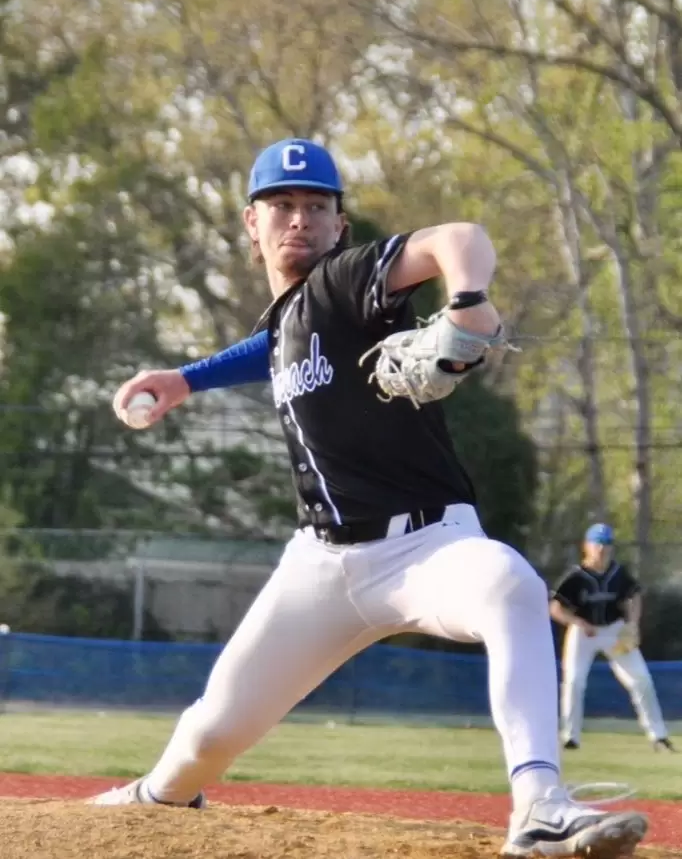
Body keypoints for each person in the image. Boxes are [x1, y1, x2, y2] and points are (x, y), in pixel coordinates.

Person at [91, 138, 647, 858]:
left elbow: (459, 238)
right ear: (251, 222)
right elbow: (273, 348)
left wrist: (466, 300)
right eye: (281, 204)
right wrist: (187, 379)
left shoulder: (346, 279)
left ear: (340, 225)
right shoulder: (292, 319)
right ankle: (158, 797)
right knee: (210, 733)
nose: (299, 218)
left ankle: (539, 803)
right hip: (321, 566)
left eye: (316, 205)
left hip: (427, 549)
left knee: (511, 582)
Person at [550, 521, 673, 753]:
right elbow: (555, 608)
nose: (602, 548)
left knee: (641, 679)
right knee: (574, 681)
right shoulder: (576, 576)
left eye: (606, 543)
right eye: (597, 543)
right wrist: (578, 623)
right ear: (587, 546)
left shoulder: (618, 573)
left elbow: (635, 596)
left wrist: (632, 624)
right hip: (584, 632)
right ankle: (570, 737)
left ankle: (658, 736)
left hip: (614, 631)